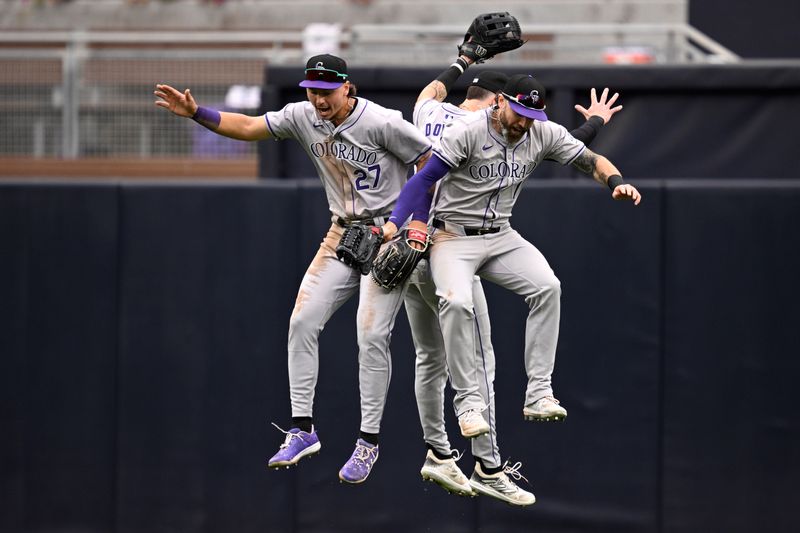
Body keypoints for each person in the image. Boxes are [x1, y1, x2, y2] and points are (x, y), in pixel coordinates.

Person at [154, 54, 432, 484]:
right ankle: (302, 429)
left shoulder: (380, 121)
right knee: (302, 320)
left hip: (386, 234)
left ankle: (367, 442)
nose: (318, 99)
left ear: (346, 87)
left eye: (326, 91)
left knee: (371, 334)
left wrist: (412, 221)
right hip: (342, 233)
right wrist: (196, 113)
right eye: (312, 90)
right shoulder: (302, 116)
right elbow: (248, 127)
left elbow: (428, 164)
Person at [383, 72, 641, 500]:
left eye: (531, 114)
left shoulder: (538, 130)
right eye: (518, 112)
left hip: (500, 235)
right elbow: (422, 180)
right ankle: (468, 403)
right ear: (499, 102)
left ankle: (539, 391)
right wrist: (399, 224)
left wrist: (616, 183)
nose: (524, 121)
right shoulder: (467, 130)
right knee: (455, 301)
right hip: (451, 235)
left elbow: (588, 157)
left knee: (547, 287)